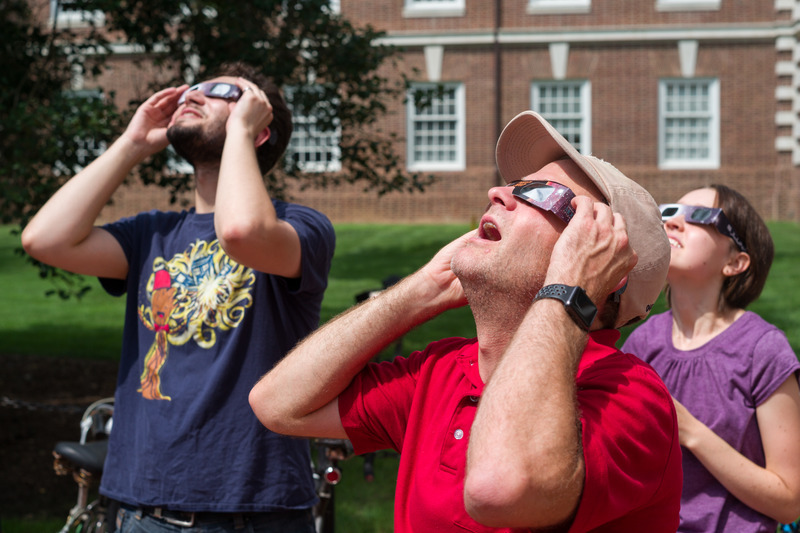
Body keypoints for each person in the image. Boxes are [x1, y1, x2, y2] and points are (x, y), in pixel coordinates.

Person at [250, 110, 682, 532]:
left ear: (601, 261)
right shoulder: (442, 371)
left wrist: (572, 288)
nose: (498, 193)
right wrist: (423, 290)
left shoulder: (630, 396)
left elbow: (500, 489)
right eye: (514, 184)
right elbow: (278, 404)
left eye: (539, 193)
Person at [22, 62, 335, 532]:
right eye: (192, 88)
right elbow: (45, 239)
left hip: (252, 511)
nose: (193, 94)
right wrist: (132, 145)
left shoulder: (301, 227)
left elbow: (240, 232)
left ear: (258, 129)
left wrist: (239, 132)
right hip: (142, 507)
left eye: (220, 92)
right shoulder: (151, 233)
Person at [622, 185, 800, 532]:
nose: (673, 223)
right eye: (670, 212)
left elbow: (789, 501)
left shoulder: (762, 350)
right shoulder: (641, 343)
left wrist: (690, 432)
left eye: (701, 216)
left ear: (735, 262)